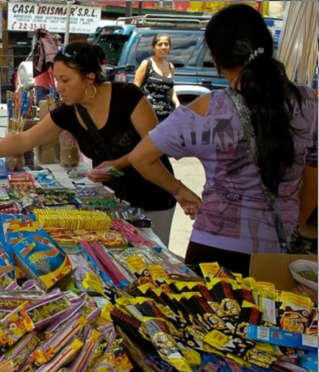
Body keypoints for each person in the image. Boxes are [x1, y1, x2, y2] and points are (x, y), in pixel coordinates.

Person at [129, 4, 317, 276]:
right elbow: (313, 178)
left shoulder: (207, 108)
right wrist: (292, 223)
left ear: (216, 59)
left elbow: (140, 157)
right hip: (279, 249)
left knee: (210, 319)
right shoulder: (308, 102)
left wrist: (181, 192)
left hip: (213, 249)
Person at [0, 42, 177, 245]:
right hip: (114, 199)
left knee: (155, 254)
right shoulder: (70, 111)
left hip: (154, 194)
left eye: (66, 80)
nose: (59, 87)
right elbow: (24, 139)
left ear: (89, 77)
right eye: (57, 79)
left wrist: (118, 163)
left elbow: (153, 145)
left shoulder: (127, 96)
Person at [133, 34, 180, 122]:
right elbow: (135, 89)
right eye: (159, 44)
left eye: (166, 44)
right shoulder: (146, 64)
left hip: (165, 115)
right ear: (153, 48)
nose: (163, 47)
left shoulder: (170, 67)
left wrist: (177, 103)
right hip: (147, 114)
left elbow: (171, 90)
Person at [34, 33, 62, 104]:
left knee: (46, 107)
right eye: (57, 45)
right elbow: (51, 71)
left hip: (44, 86)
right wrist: (54, 87)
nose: (57, 48)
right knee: (44, 107)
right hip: (42, 86)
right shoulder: (48, 53)